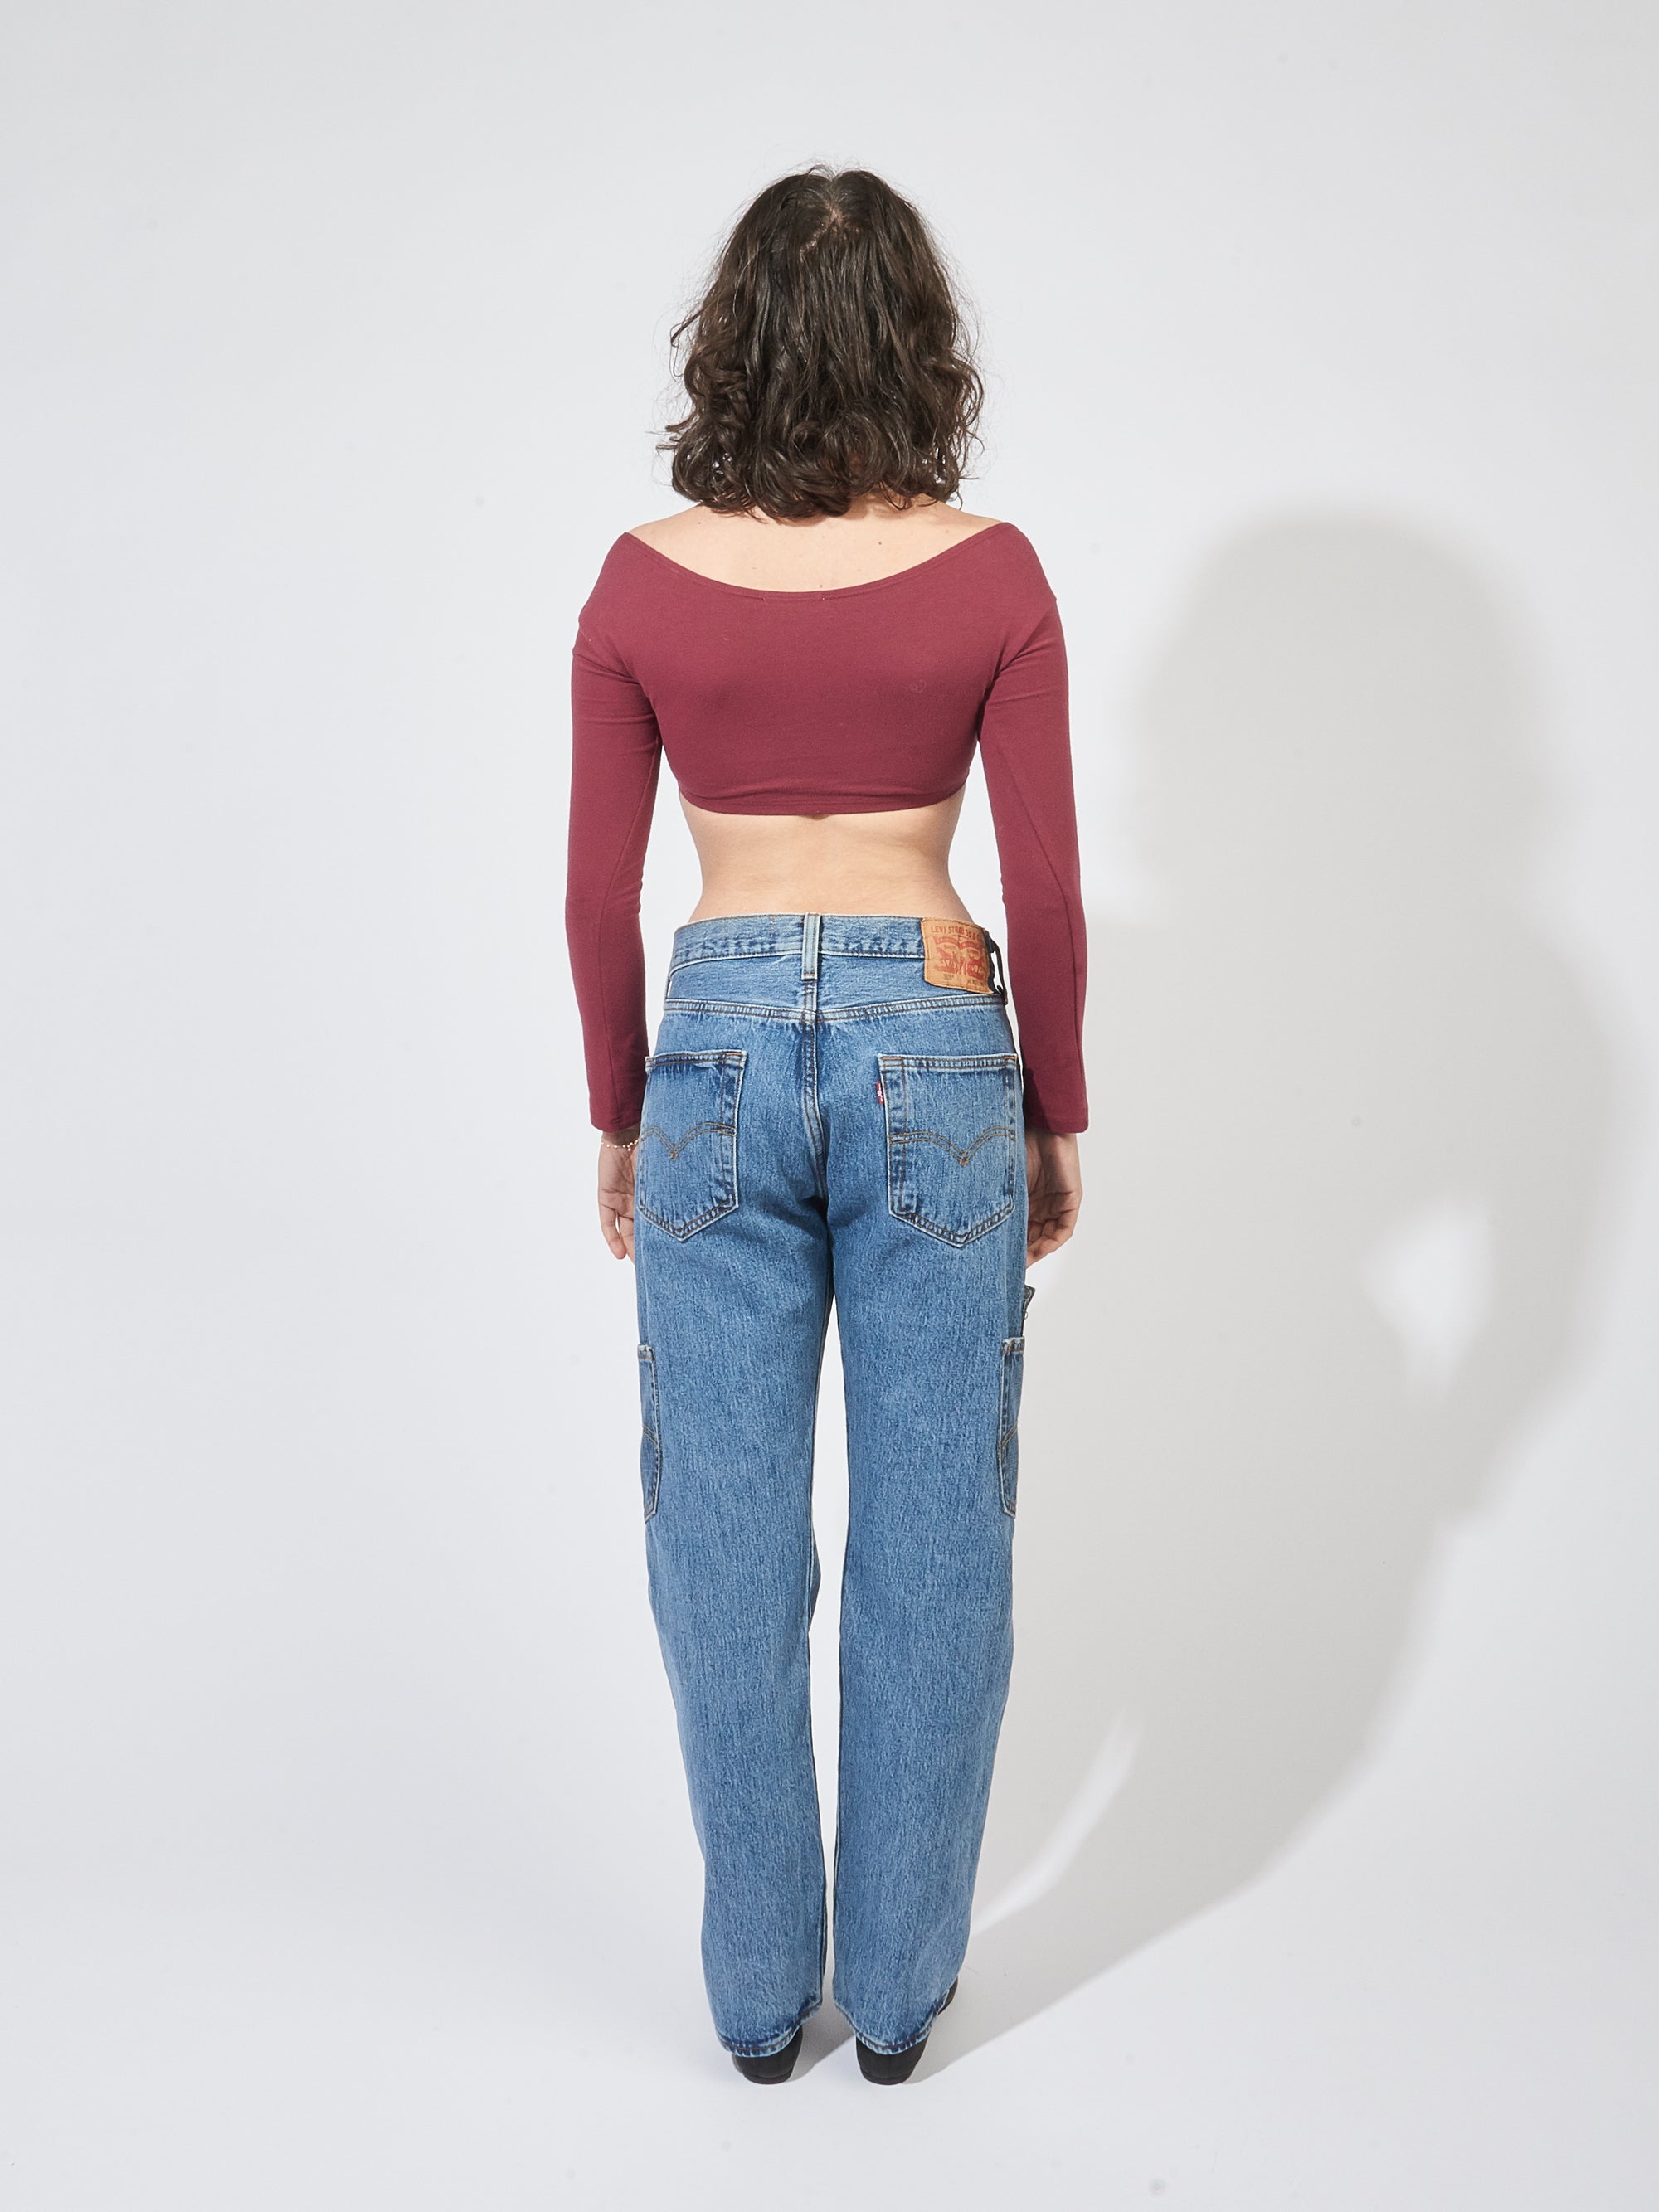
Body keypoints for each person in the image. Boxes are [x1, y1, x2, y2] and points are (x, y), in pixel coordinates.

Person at [563, 165, 1087, 2084]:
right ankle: (898, 1991)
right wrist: (1052, 1109)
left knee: (720, 1533)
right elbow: (1046, 884)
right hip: (934, 1035)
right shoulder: (993, 573)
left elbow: (590, 893)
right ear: (914, 346)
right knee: (937, 1533)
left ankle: (753, 1990)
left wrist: (621, 1107)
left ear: (736, 343)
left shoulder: (639, 581)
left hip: (709, 1039)